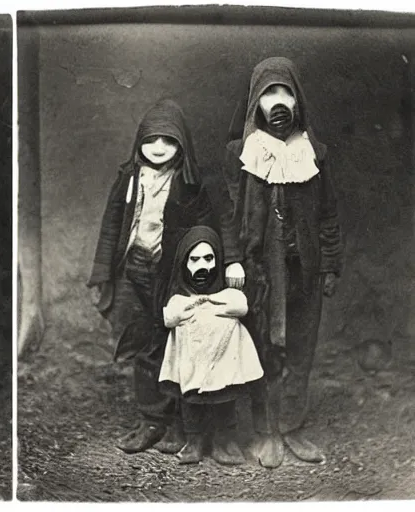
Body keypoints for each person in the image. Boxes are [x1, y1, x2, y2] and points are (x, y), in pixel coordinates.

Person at [87, 99, 243, 454]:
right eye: (151, 140)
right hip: (133, 270)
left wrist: (232, 261)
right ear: (139, 141)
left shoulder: (193, 182)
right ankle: (151, 419)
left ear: (182, 144)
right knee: (142, 343)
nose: (159, 148)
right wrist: (101, 273)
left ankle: (178, 422)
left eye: (169, 141)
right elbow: (111, 226)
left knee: (177, 344)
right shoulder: (128, 177)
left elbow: (222, 224)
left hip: (171, 276)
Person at [223, 57, 343, 468]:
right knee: (263, 349)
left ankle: (290, 427)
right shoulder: (240, 153)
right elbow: (228, 213)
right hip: (260, 271)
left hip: (303, 269)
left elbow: (328, 215)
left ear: (297, 100)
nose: (278, 101)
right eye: (269, 93)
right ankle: (265, 430)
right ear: (255, 102)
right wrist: (235, 259)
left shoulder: (316, 154)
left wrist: (328, 265)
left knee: (300, 350)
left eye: (285, 92)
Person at [158, 226, 263, 465]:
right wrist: (193, 304)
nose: (202, 266)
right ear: (185, 264)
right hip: (192, 366)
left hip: (222, 365)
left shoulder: (227, 295)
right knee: (191, 403)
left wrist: (209, 301)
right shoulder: (179, 299)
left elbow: (240, 306)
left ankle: (223, 441)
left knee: (225, 401)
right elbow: (170, 316)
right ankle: (194, 441)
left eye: (208, 258)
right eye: (194, 260)